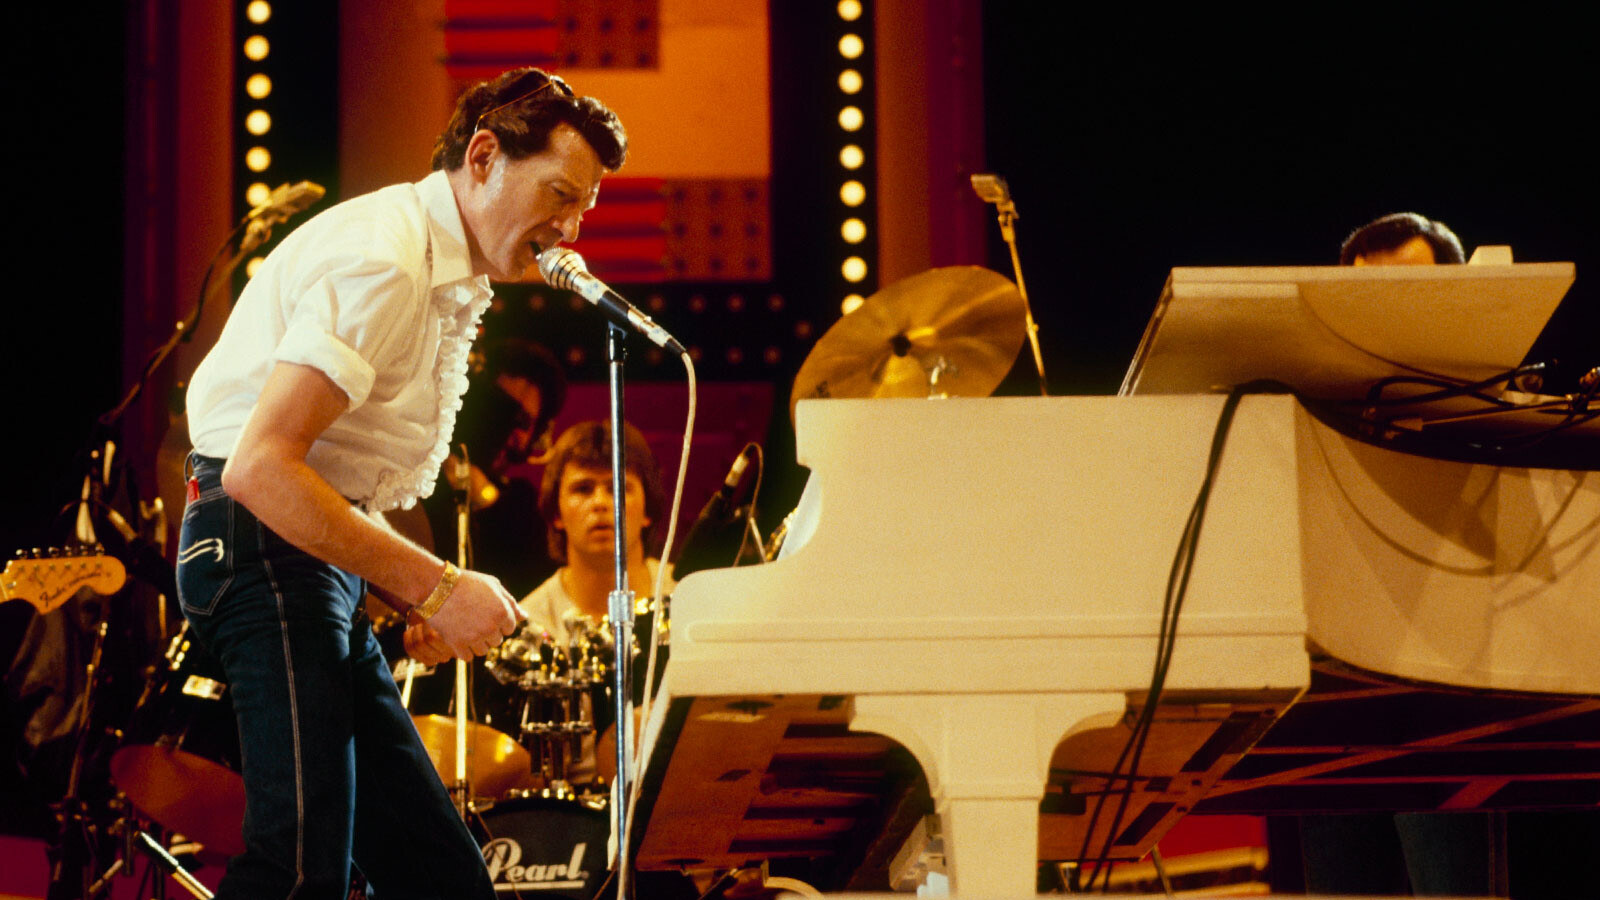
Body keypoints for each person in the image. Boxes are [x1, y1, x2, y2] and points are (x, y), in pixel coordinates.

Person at [176, 67, 626, 898]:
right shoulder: (386, 259)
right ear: (484, 155)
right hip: (261, 548)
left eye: (582, 210)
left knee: (441, 881)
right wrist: (436, 584)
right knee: (296, 870)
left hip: (310, 556)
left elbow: (352, 467)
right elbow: (260, 467)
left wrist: (408, 594)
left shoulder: (439, 261)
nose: (567, 229)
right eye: (558, 194)